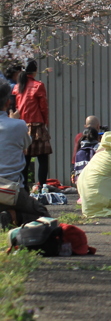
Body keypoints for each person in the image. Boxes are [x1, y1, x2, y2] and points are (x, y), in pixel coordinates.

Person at [0, 82, 50, 226]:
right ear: (8, 103)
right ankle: (13, 216)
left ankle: (7, 215)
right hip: (11, 190)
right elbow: (26, 145)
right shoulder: (19, 125)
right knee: (42, 214)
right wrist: (14, 120)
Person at [14, 60, 50, 189]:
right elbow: (43, 107)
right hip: (37, 125)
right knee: (43, 158)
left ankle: (24, 188)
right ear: (35, 71)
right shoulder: (38, 85)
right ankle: (42, 186)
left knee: (26, 158)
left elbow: (15, 107)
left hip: (23, 125)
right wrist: (45, 122)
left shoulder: (17, 87)